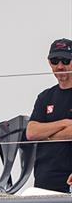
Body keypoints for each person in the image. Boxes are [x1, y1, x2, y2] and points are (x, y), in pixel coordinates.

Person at [26, 38, 72, 193]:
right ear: (49, 62)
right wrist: (65, 123)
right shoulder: (45, 97)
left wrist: (46, 134)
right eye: (55, 60)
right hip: (44, 180)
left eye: (66, 61)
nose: (60, 66)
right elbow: (31, 132)